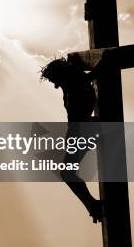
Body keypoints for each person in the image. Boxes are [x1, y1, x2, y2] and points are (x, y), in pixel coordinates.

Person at [40, 57, 103, 224]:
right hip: (78, 130)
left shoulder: (75, 80)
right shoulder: (70, 83)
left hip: (82, 129)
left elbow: (93, 74)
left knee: (67, 173)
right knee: (67, 173)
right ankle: (92, 205)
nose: (55, 85)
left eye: (55, 81)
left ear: (61, 74)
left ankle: (93, 206)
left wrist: (106, 60)